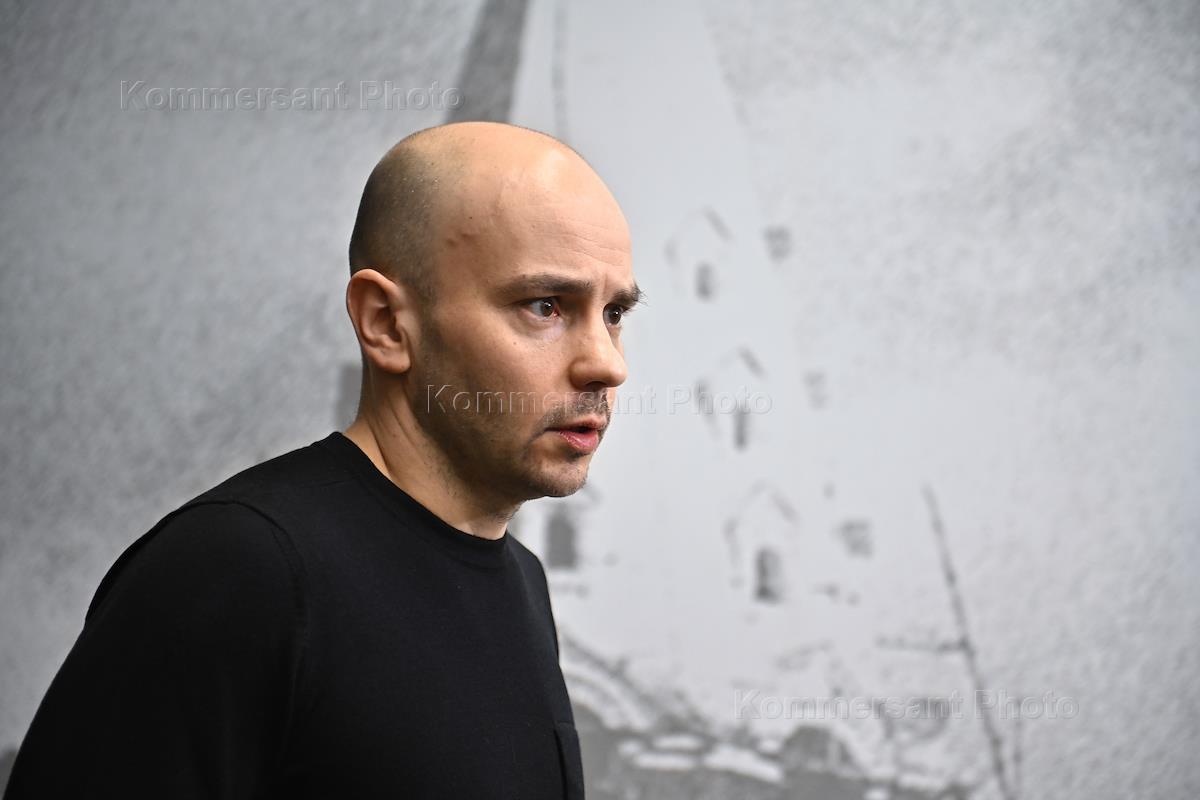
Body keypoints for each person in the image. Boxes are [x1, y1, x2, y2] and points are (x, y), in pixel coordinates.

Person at [4, 121, 641, 799]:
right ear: (386, 323)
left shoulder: (522, 579)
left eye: (614, 313)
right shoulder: (235, 570)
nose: (607, 364)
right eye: (546, 306)